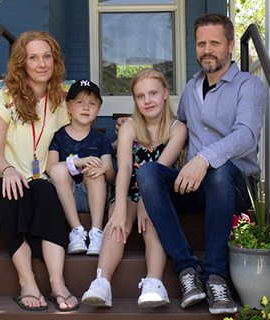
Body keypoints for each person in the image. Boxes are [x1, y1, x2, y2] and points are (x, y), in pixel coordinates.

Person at [136, 14, 267, 315]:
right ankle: (186, 272)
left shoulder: (248, 86)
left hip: (236, 187)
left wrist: (204, 158)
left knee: (219, 169)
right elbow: (176, 126)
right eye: (201, 44)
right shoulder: (191, 88)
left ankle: (216, 276)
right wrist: (131, 130)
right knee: (149, 172)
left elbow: (246, 136)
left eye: (215, 43)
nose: (207, 50)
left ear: (231, 46)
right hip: (194, 187)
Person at [0, 30, 79, 312]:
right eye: (33, 58)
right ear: (21, 63)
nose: (42, 64)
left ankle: (57, 283)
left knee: (46, 191)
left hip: (36, 181)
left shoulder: (61, 102)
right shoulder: (4, 100)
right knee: (14, 192)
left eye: (47, 57)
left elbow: (81, 131)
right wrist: (8, 170)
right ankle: (27, 280)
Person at [82, 69, 188, 308]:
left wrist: (146, 203)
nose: (147, 100)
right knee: (116, 225)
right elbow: (125, 168)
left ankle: (153, 283)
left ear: (165, 94)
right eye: (140, 96)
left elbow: (160, 169)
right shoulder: (129, 126)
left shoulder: (177, 129)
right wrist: (119, 207)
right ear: (135, 100)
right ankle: (102, 282)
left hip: (159, 191)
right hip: (128, 187)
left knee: (152, 223)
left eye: (153, 93)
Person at [46, 80, 115, 256]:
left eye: (92, 103)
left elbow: (111, 175)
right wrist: (77, 161)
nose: (86, 107)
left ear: (98, 110)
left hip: (91, 194)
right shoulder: (59, 136)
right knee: (59, 169)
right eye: (79, 102)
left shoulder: (101, 139)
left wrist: (103, 166)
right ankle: (76, 231)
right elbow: (50, 167)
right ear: (68, 107)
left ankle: (96, 232)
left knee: (95, 170)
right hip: (65, 194)